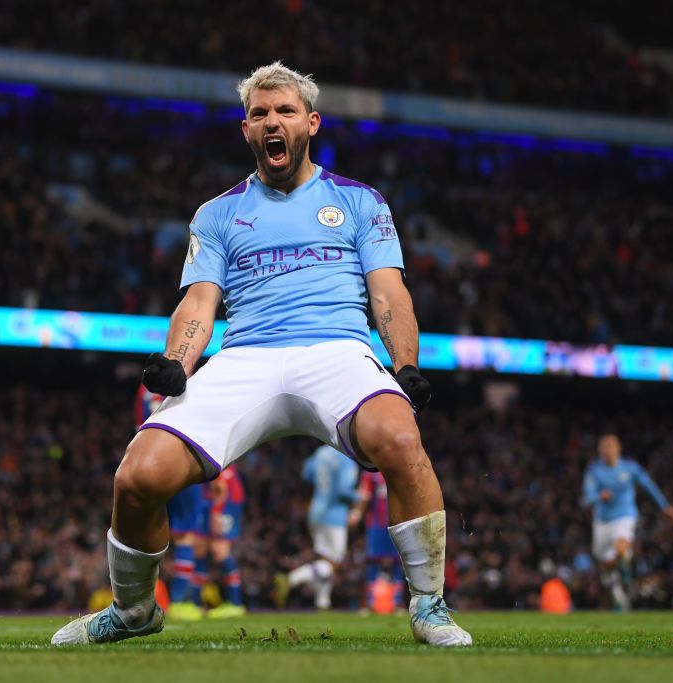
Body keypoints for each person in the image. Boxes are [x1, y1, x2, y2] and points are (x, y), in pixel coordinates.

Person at [52, 61, 471, 647]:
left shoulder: (359, 202)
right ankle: (132, 611)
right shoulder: (217, 212)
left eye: (285, 111)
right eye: (259, 114)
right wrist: (178, 360)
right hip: (245, 356)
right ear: (245, 130)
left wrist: (404, 366)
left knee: (402, 440)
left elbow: (388, 291)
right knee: (137, 476)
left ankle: (429, 606)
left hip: (337, 352)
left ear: (312, 123)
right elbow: (200, 302)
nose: (272, 122)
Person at [582, 433, 673, 611]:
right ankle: (618, 594)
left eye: (611, 446)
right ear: (599, 451)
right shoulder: (594, 471)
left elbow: (648, 485)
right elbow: (586, 497)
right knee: (607, 564)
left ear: (618, 448)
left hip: (624, 516)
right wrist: (598, 496)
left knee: (621, 547)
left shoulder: (630, 468)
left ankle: (626, 574)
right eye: (604, 446)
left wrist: (664, 506)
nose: (607, 450)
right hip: (602, 522)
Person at [135, 386, 205, 621]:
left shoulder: (145, 386)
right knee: (185, 536)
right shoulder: (187, 379)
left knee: (146, 534)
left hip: (146, 459)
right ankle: (177, 602)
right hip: (180, 457)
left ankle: (140, 602)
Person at [278, 445, 360, 610]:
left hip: (316, 509)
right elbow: (344, 489)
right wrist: (360, 495)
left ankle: (322, 602)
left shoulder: (320, 452)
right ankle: (291, 579)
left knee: (324, 559)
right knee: (334, 563)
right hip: (334, 513)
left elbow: (306, 475)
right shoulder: (346, 458)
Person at [352, 470, 407, 612]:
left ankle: (398, 602)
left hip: (397, 523)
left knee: (397, 561)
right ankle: (369, 603)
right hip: (376, 525)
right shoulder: (371, 473)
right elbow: (364, 494)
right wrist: (357, 513)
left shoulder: (398, 470)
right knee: (373, 561)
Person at [203, 467, 247, 618]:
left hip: (226, 508)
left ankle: (235, 603)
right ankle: (234, 602)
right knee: (220, 551)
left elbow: (221, 488)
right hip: (232, 507)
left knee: (220, 551)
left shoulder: (218, 464)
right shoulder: (230, 468)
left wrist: (216, 512)